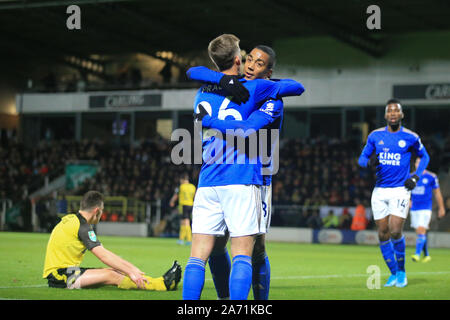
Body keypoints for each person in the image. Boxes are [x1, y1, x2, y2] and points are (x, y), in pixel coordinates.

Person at [182, 34, 304, 300]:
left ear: (268, 71)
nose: (251, 65)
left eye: (258, 63)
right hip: (241, 178)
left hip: (253, 178)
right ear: (239, 59)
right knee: (237, 252)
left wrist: (211, 121)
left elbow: (193, 71)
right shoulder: (252, 89)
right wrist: (226, 80)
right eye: (249, 59)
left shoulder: (206, 90)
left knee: (247, 249)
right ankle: (227, 300)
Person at [42, 190, 181, 290]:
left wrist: (132, 269)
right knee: (111, 275)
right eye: (102, 211)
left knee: (114, 271)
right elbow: (103, 256)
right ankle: (161, 285)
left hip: (66, 273)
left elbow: (105, 253)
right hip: (60, 277)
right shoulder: (83, 226)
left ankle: (156, 281)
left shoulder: (75, 220)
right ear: (97, 211)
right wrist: (131, 272)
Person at [358, 98, 430, 288]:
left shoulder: (410, 137)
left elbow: (425, 156)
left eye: (396, 111)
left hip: (400, 190)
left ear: (401, 114)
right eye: (389, 111)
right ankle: (393, 273)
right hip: (380, 190)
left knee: (395, 230)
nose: (392, 114)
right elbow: (362, 158)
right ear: (385, 115)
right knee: (382, 233)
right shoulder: (375, 136)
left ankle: (402, 272)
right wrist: (368, 162)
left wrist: (415, 177)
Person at [410, 158, 446, 262]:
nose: (419, 164)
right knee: (420, 232)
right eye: (417, 162)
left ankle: (417, 254)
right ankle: (426, 254)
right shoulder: (410, 176)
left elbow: (437, 193)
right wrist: (408, 200)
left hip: (425, 208)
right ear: (415, 164)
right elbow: (405, 190)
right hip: (414, 208)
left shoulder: (431, 176)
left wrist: (441, 208)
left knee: (421, 229)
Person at [169, 173, 197, 245]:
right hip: (191, 205)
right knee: (183, 222)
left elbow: (176, 195)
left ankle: (189, 239)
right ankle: (181, 239)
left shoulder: (181, 187)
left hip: (184, 205)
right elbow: (196, 196)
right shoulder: (193, 187)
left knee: (186, 222)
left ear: (182, 180)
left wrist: (172, 201)